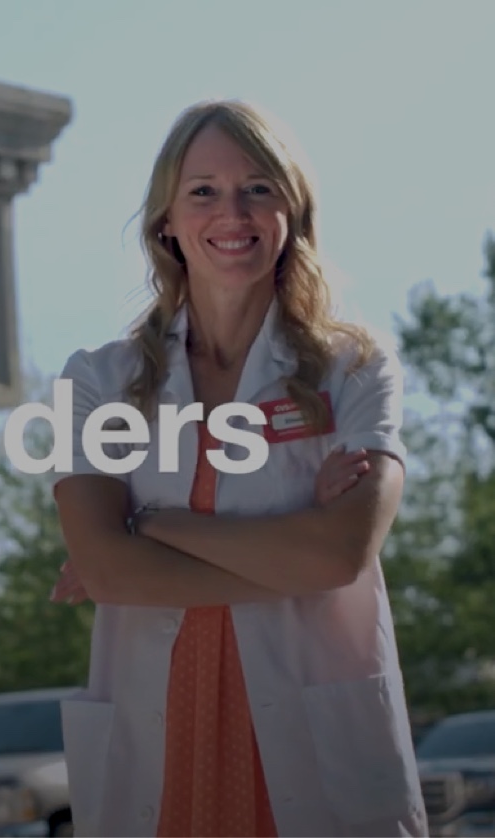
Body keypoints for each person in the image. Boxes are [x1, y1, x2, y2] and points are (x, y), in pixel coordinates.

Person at [48, 99, 427, 838]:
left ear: (292, 211)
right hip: (160, 740)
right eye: (203, 191)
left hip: (314, 742)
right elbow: (114, 576)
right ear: (166, 220)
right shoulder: (100, 379)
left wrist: (155, 526)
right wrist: (295, 556)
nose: (233, 210)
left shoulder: (354, 368)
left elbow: (341, 553)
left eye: (258, 186)